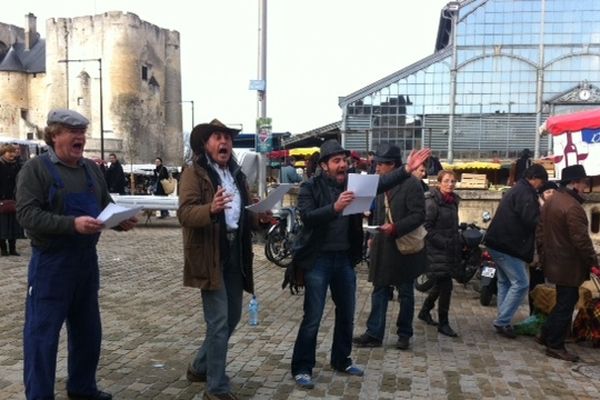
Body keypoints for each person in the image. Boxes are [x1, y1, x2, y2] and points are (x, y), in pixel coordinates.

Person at [288, 139, 431, 389]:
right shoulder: (310, 186)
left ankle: (341, 359)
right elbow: (307, 218)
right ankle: (302, 367)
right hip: (318, 260)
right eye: (336, 161)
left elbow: (381, 183)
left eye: (344, 160)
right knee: (313, 316)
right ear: (324, 165)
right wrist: (335, 207)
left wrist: (407, 170)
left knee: (347, 314)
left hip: (343, 259)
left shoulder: (355, 183)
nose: (342, 165)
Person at [16, 108, 137, 400]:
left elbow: (104, 205)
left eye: (83, 132)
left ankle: (82, 387)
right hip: (51, 264)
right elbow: (27, 215)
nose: (80, 137)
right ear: (55, 135)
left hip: (86, 264)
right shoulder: (36, 170)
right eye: (74, 132)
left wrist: (120, 221)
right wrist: (71, 224)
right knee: (42, 336)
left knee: (88, 333)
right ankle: (39, 395)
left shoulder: (91, 170)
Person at [178, 119, 268, 400]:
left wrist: (259, 218)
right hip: (210, 253)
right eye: (217, 137)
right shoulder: (194, 174)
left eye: (227, 138)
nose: (224, 142)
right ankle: (216, 388)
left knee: (232, 317)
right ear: (206, 144)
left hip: (235, 253)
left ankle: (200, 366)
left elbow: (243, 214)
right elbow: (185, 214)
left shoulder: (237, 175)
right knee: (218, 322)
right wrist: (211, 208)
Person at [352, 143, 426, 351]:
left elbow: (419, 215)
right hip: (382, 244)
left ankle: (404, 334)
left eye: (380, 164)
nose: (376, 168)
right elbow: (377, 212)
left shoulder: (412, 184)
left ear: (392, 165)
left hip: (402, 245)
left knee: (405, 293)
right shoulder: (379, 184)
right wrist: (371, 236)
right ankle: (374, 333)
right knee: (379, 289)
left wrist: (396, 227)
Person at [536, 165, 598, 362]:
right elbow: (581, 241)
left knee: (564, 301)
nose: (584, 187)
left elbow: (539, 232)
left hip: (554, 260)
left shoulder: (552, 200)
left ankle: (546, 334)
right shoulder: (572, 207)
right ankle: (555, 344)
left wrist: (543, 254)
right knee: (566, 303)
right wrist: (594, 262)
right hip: (568, 264)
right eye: (583, 183)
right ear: (574, 183)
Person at [484, 163, 548, 339]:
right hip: (508, 245)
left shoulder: (517, 188)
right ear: (534, 179)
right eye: (541, 182)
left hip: (497, 242)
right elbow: (531, 220)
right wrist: (544, 211)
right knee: (521, 283)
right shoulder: (526, 193)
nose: (541, 186)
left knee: (505, 282)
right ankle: (502, 321)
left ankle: (502, 318)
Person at [417, 170, 461, 337]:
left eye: (453, 181)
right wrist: (442, 242)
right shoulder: (432, 201)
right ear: (439, 182)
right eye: (447, 181)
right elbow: (426, 226)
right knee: (446, 285)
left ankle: (425, 310)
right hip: (436, 249)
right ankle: (444, 323)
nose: (450, 184)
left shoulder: (453, 201)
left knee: (440, 282)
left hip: (449, 249)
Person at [528, 181, 558, 314]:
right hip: (538, 254)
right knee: (536, 285)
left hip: (553, 254)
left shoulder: (558, 208)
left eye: (553, 191)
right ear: (542, 194)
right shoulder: (538, 210)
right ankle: (534, 313)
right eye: (548, 192)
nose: (551, 194)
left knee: (550, 288)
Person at [0, 144, 25, 256]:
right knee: (2, 226)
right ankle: (3, 249)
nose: (11, 154)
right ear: (4, 153)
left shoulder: (18, 165)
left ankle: (13, 249)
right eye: (9, 152)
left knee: (13, 225)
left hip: (14, 199)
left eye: (13, 151)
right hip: (1, 199)